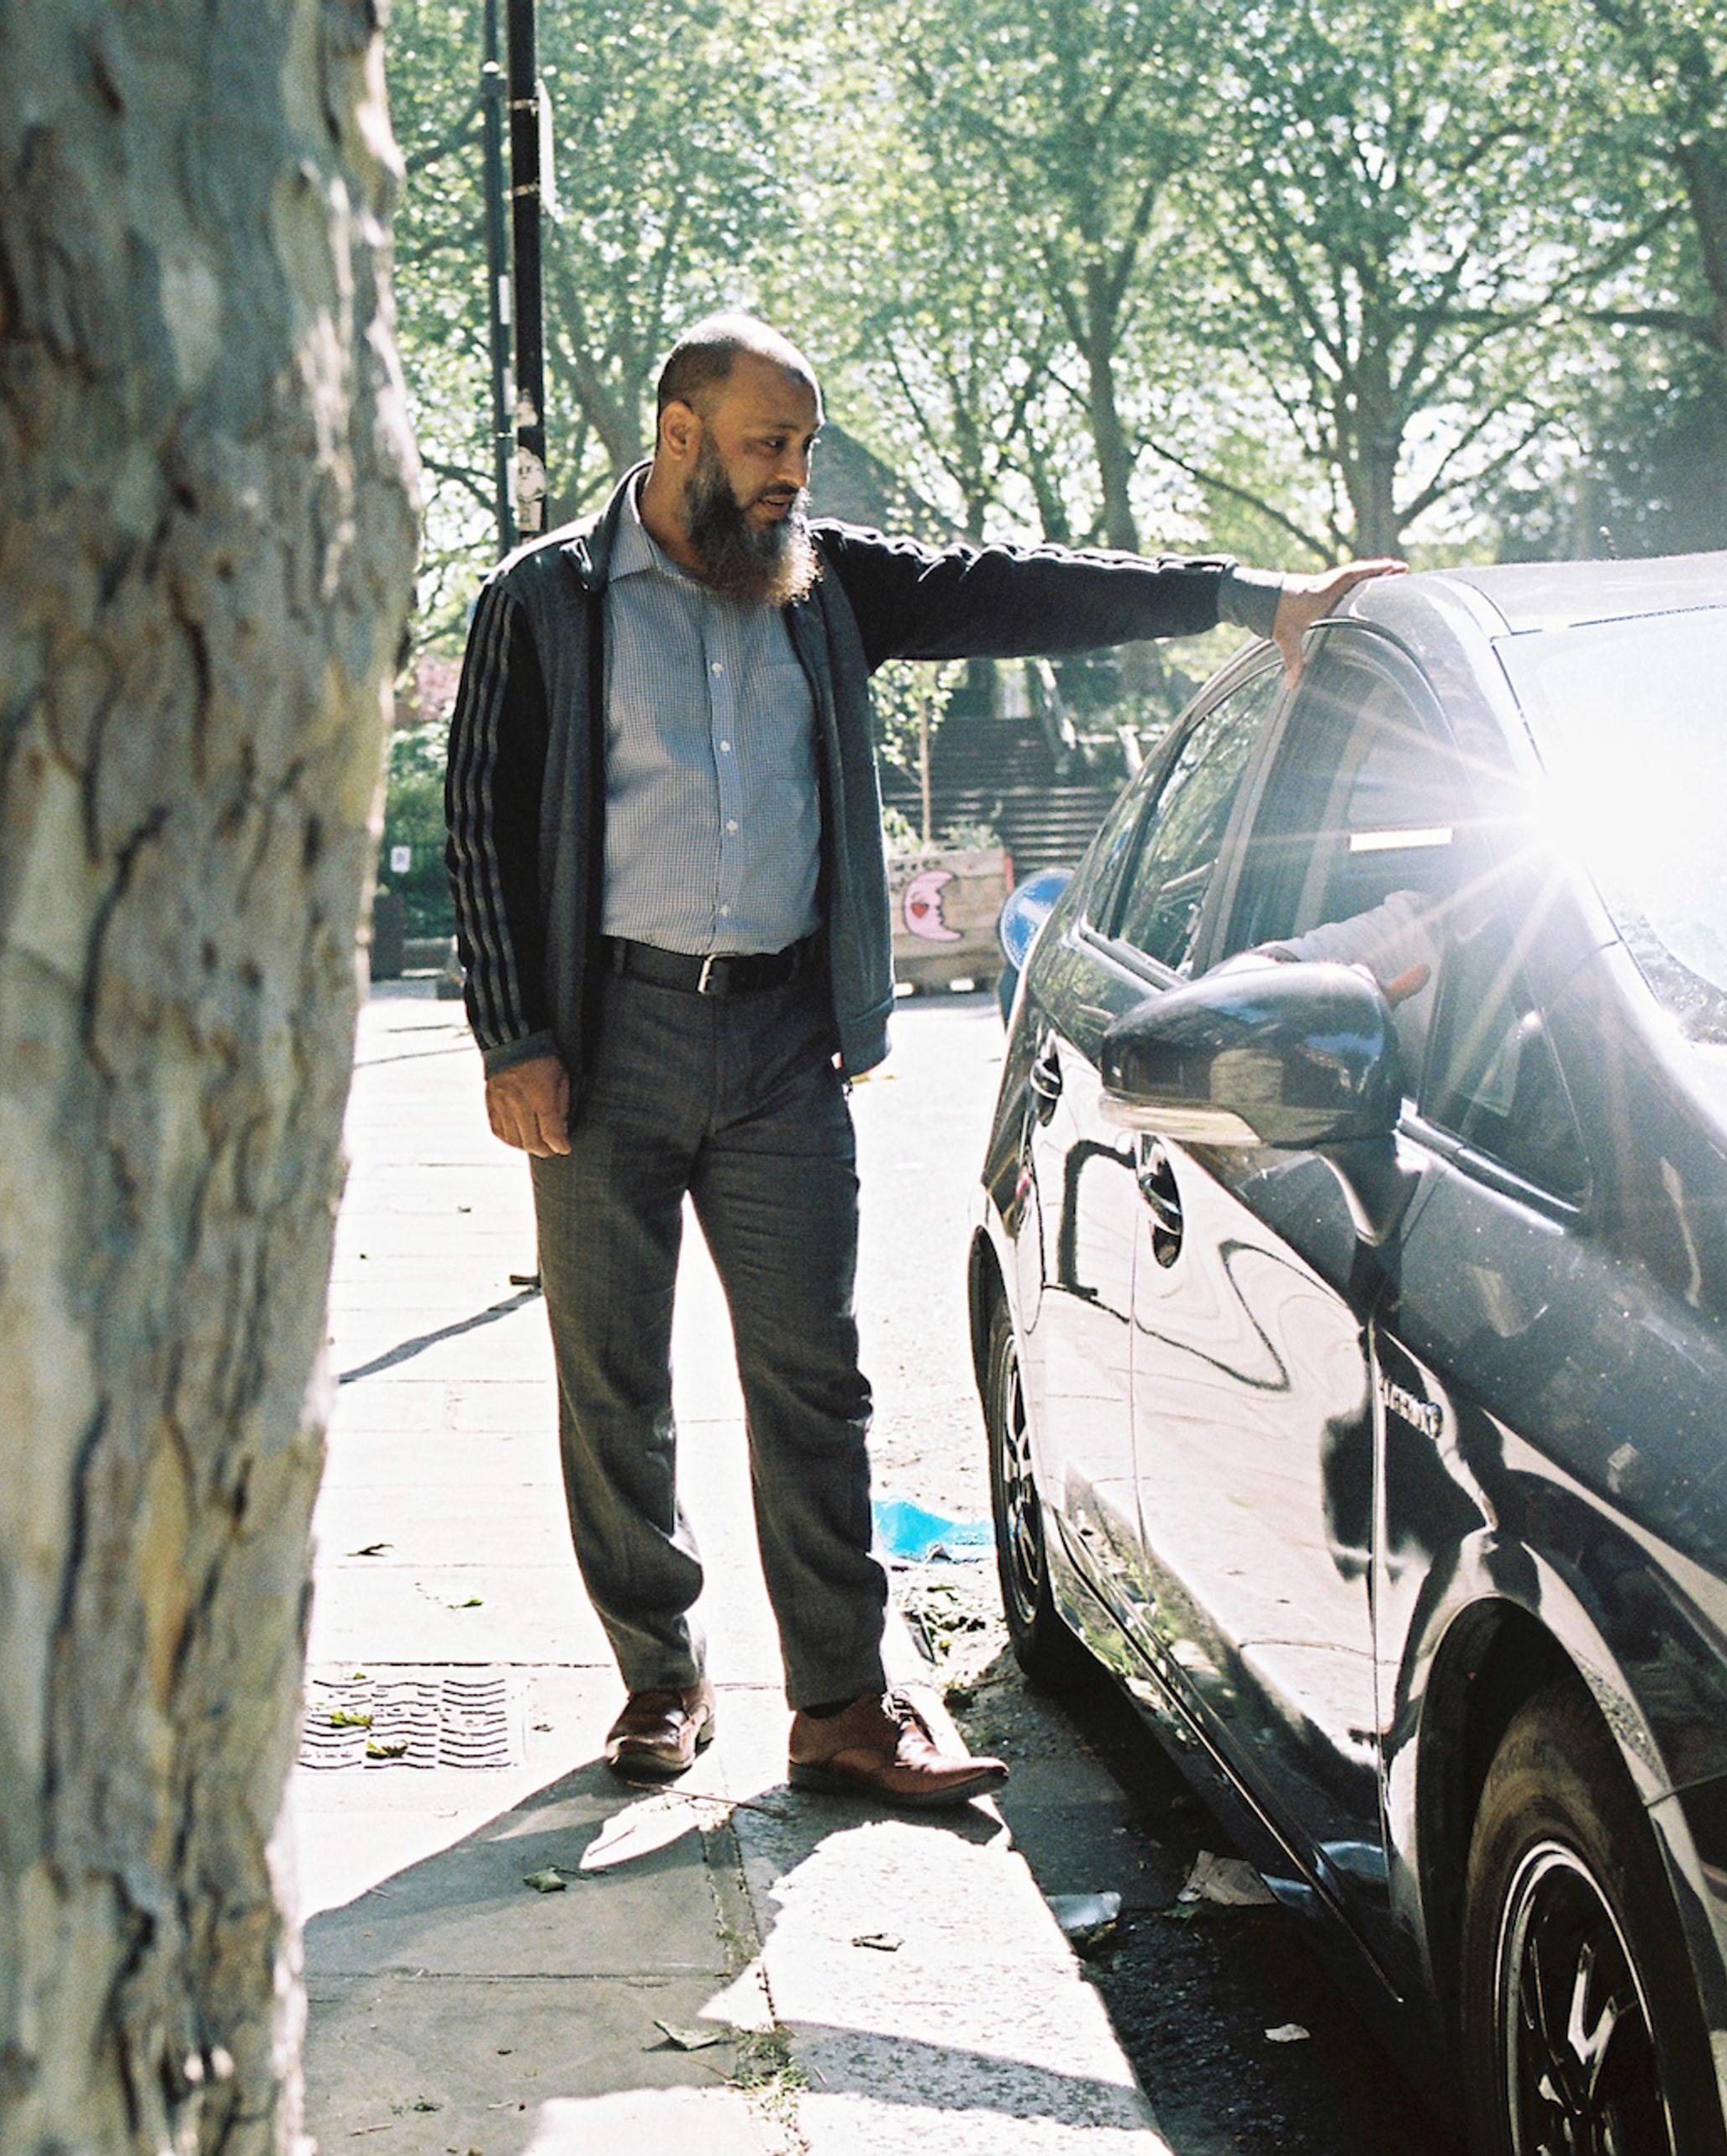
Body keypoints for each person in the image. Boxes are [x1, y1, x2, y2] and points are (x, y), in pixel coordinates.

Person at [443, 313, 1398, 1804]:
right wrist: (514, 1035)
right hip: (606, 1038)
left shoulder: (820, 582)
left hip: (777, 1043)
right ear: (677, 432)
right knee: (611, 1376)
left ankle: (839, 1705)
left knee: (815, 1380)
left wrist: (1250, 595)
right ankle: (658, 1675)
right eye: (770, 444)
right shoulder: (547, 602)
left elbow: (1016, 587)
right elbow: (482, 833)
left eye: (806, 447)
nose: (794, 476)